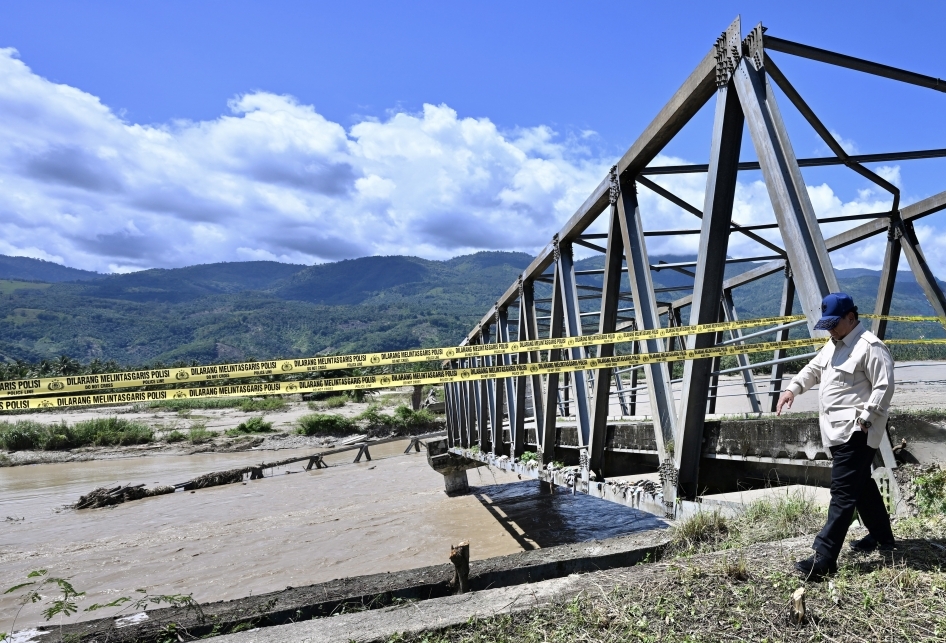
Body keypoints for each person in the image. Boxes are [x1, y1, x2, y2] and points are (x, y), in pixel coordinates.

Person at [776, 292, 896, 579]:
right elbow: (813, 369)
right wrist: (792, 388)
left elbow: (884, 386)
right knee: (861, 485)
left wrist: (866, 418)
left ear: (851, 318)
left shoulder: (870, 347)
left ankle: (825, 558)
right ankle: (883, 537)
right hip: (836, 433)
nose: (830, 330)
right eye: (827, 325)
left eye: (834, 324)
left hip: (857, 430)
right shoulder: (834, 346)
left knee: (842, 493)